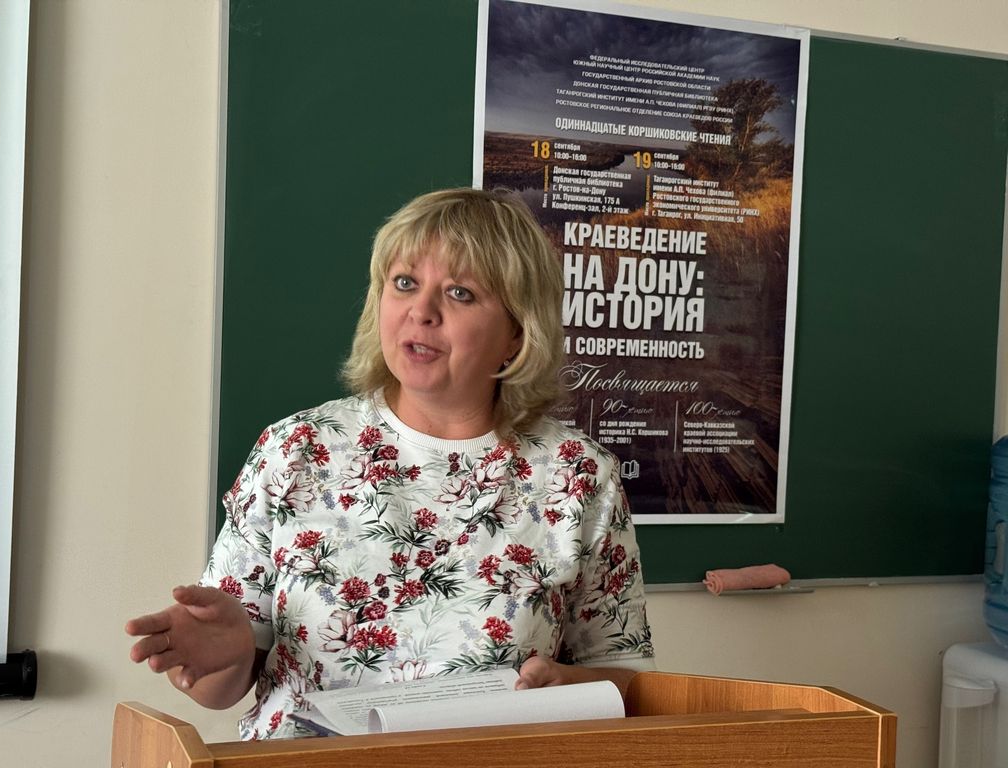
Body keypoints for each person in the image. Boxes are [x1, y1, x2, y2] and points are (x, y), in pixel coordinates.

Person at [126, 187, 655, 740]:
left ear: (517, 334)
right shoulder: (296, 448)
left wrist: (570, 689)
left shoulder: (580, 475)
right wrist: (225, 656)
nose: (421, 312)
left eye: (460, 293)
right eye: (404, 284)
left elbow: (629, 680)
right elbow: (222, 685)